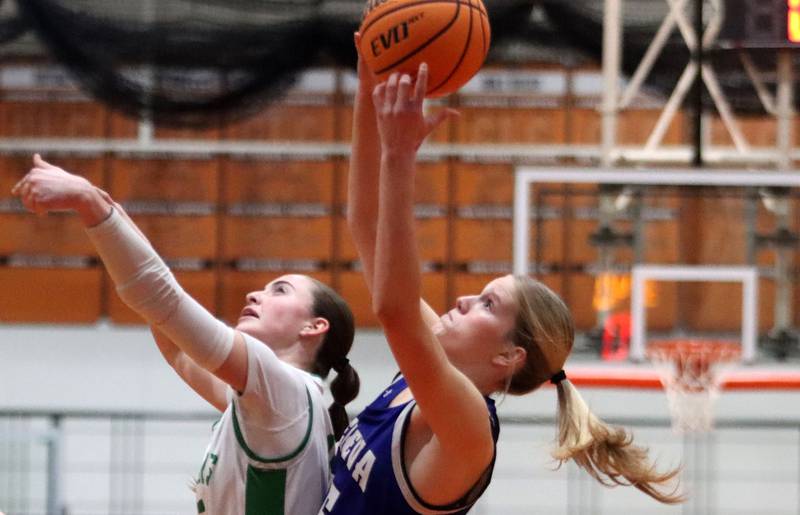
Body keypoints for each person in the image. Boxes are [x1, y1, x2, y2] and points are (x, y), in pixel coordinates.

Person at [318, 46, 682, 514]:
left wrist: (399, 153)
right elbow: (365, 226)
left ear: (509, 355)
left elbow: (395, 310)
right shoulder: (429, 372)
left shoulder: (469, 430)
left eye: (488, 304)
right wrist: (370, 77)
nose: (466, 298)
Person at [11, 155, 360, 515]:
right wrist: (100, 198)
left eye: (280, 291)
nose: (255, 294)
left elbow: (160, 298)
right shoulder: (277, 400)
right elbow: (174, 342)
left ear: (314, 327)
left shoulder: (284, 391)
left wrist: (87, 199)